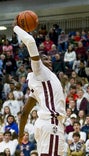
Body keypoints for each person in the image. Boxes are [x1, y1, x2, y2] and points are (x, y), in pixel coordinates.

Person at [13, 25, 66, 155]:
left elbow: (25, 112)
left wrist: (20, 134)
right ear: (38, 63)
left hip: (44, 125)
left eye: (49, 58)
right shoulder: (41, 71)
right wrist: (16, 27)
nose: (50, 60)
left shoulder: (38, 82)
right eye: (45, 58)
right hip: (51, 123)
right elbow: (30, 41)